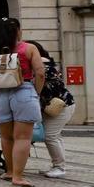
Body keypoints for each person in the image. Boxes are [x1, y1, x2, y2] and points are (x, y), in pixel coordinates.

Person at [0, 17, 44, 187]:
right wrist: (36, 92)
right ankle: (18, 176)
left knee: (7, 137)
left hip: (0, 93)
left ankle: (9, 171)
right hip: (23, 90)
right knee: (23, 137)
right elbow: (40, 73)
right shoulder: (28, 48)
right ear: (17, 30)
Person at [27, 40, 77, 179]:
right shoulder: (44, 62)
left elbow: (38, 79)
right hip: (54, 105)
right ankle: (58, 165)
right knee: (54, 136)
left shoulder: (42, 63)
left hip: (60, 106)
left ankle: (59, 167)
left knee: (50, 135)